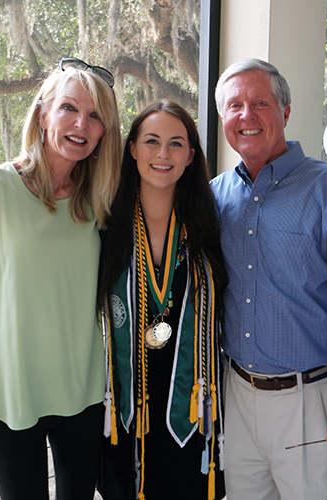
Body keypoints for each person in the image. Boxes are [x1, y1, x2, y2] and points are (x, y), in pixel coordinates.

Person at [210, 58, 327, 500]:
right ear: (222, 119)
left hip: (311, 402)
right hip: (235, 397)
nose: (246, 116)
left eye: (260, 102)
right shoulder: (215, 197)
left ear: (286, 112)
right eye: (234, 105)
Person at [0, 57, 122, 500]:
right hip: (11, 398)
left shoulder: (100, 198)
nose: (82, 123)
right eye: (69, 108)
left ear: (103, 132)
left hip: (82, 394)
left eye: (96, 115)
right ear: (43, 114)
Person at [98, 100, 227, 500]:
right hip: (122, 407)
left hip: (190, 408)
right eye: (152, 141)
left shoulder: (209, 224)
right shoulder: (103, 225)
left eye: (176, 144)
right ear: (132, 148)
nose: (162, 154)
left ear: (190, 156)